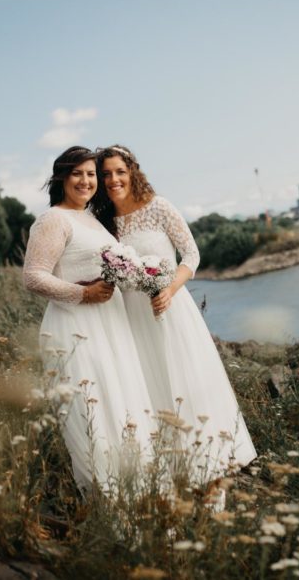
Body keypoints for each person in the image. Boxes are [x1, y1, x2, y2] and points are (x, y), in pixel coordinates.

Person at [94, 144, 256, 490]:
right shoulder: (103, 223)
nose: (112, 179)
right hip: (130, 317)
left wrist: (170, 289)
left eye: (119, 171)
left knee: (188, 382)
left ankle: (213, 466)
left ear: (132, 171)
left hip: (170, 308)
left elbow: (192, 254)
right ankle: (175, 470)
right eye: (105, 174)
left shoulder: (158, 207)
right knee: (149, 388)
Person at [22, 146, 155, 494]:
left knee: (121, 402)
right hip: (77, 327)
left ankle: (135, 488)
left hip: (111, 324)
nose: (86, 180)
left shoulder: (92, 218)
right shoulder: (54, 219)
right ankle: (106, 498)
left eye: (91, 174)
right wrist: (82, 294)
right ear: (62, 177)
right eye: (77, 173)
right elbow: (33, 276)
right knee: (96, 411)